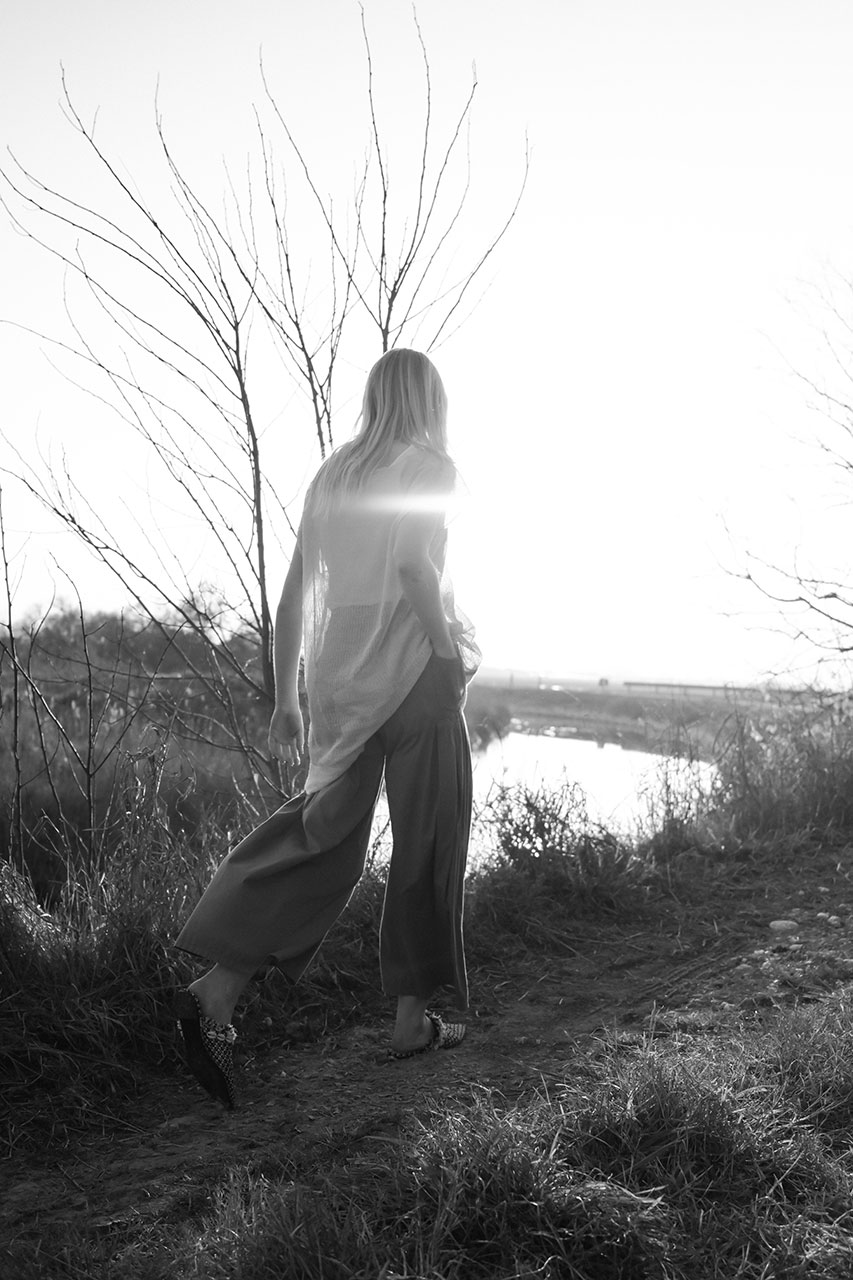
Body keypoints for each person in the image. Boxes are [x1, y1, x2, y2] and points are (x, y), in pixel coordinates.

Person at [173, 348, 479, 1108]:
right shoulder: (429, 466)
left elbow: (291, 598)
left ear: (374, 398)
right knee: (429, 840)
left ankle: (216, 991)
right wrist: (446, 656)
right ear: (431, 401)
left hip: (338, 688)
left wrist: (288, 698)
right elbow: (413, 566)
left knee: (321, 840)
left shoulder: (331, 477)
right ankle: (410, 1023)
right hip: (414, 682)